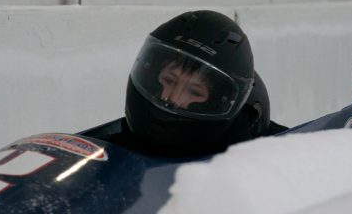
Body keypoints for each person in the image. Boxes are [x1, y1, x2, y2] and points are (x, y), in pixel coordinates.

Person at [118, 10, 284, 157]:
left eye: (194, 92)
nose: (172, 98)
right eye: (169, 80)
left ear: (217, 102)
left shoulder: (260, 167)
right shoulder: (112, 153)